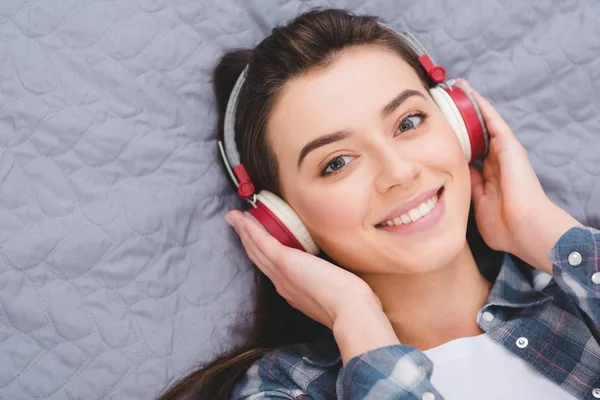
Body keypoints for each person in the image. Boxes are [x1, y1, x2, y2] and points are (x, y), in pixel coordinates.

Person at [160, 8, 600, 400]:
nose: (399, 172)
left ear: (461, 125)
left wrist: (544, 229)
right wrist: (358, 325)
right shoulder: (282, 389)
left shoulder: (582, 287)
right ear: (283, 221)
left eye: (409, 121)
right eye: (336, 163)